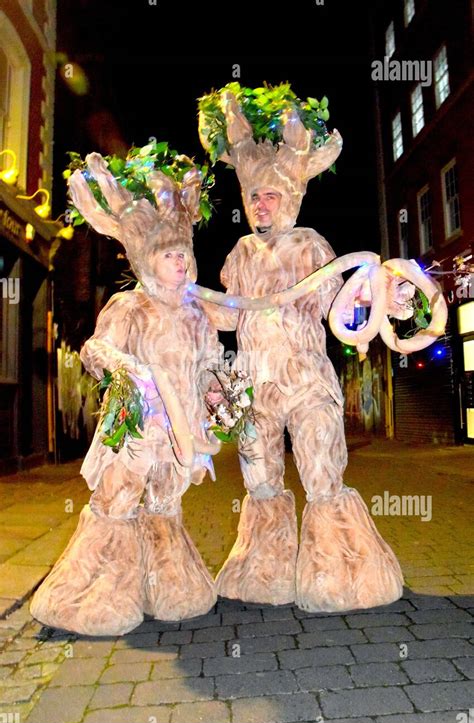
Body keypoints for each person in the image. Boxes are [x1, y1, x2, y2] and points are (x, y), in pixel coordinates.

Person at [198, 90, 404, 612]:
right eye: (254, 198)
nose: (260, 205)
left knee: (320, 469)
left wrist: (388, 297)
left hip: (306, 379)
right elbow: (227, 314)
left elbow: (341, 304)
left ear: (288, 199)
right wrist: (189, 311)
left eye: (269, 196)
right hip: (255, 386)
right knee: (260, 477)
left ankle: (341, 573)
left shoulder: (310, 243)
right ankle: (264, 570)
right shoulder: (240, 252)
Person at [30, 152, 223, 636]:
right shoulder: (130, 305)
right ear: (148, 260)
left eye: (184, 255)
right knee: (119, 495)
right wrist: (128, 367)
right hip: (137, 422)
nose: (179, 263)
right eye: (169, 256)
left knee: (164, 501)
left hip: (181, 434)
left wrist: (221, 397)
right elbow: (95, 350)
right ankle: (99, 589)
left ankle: (165, 585)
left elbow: (209, 365)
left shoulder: (197, 314)